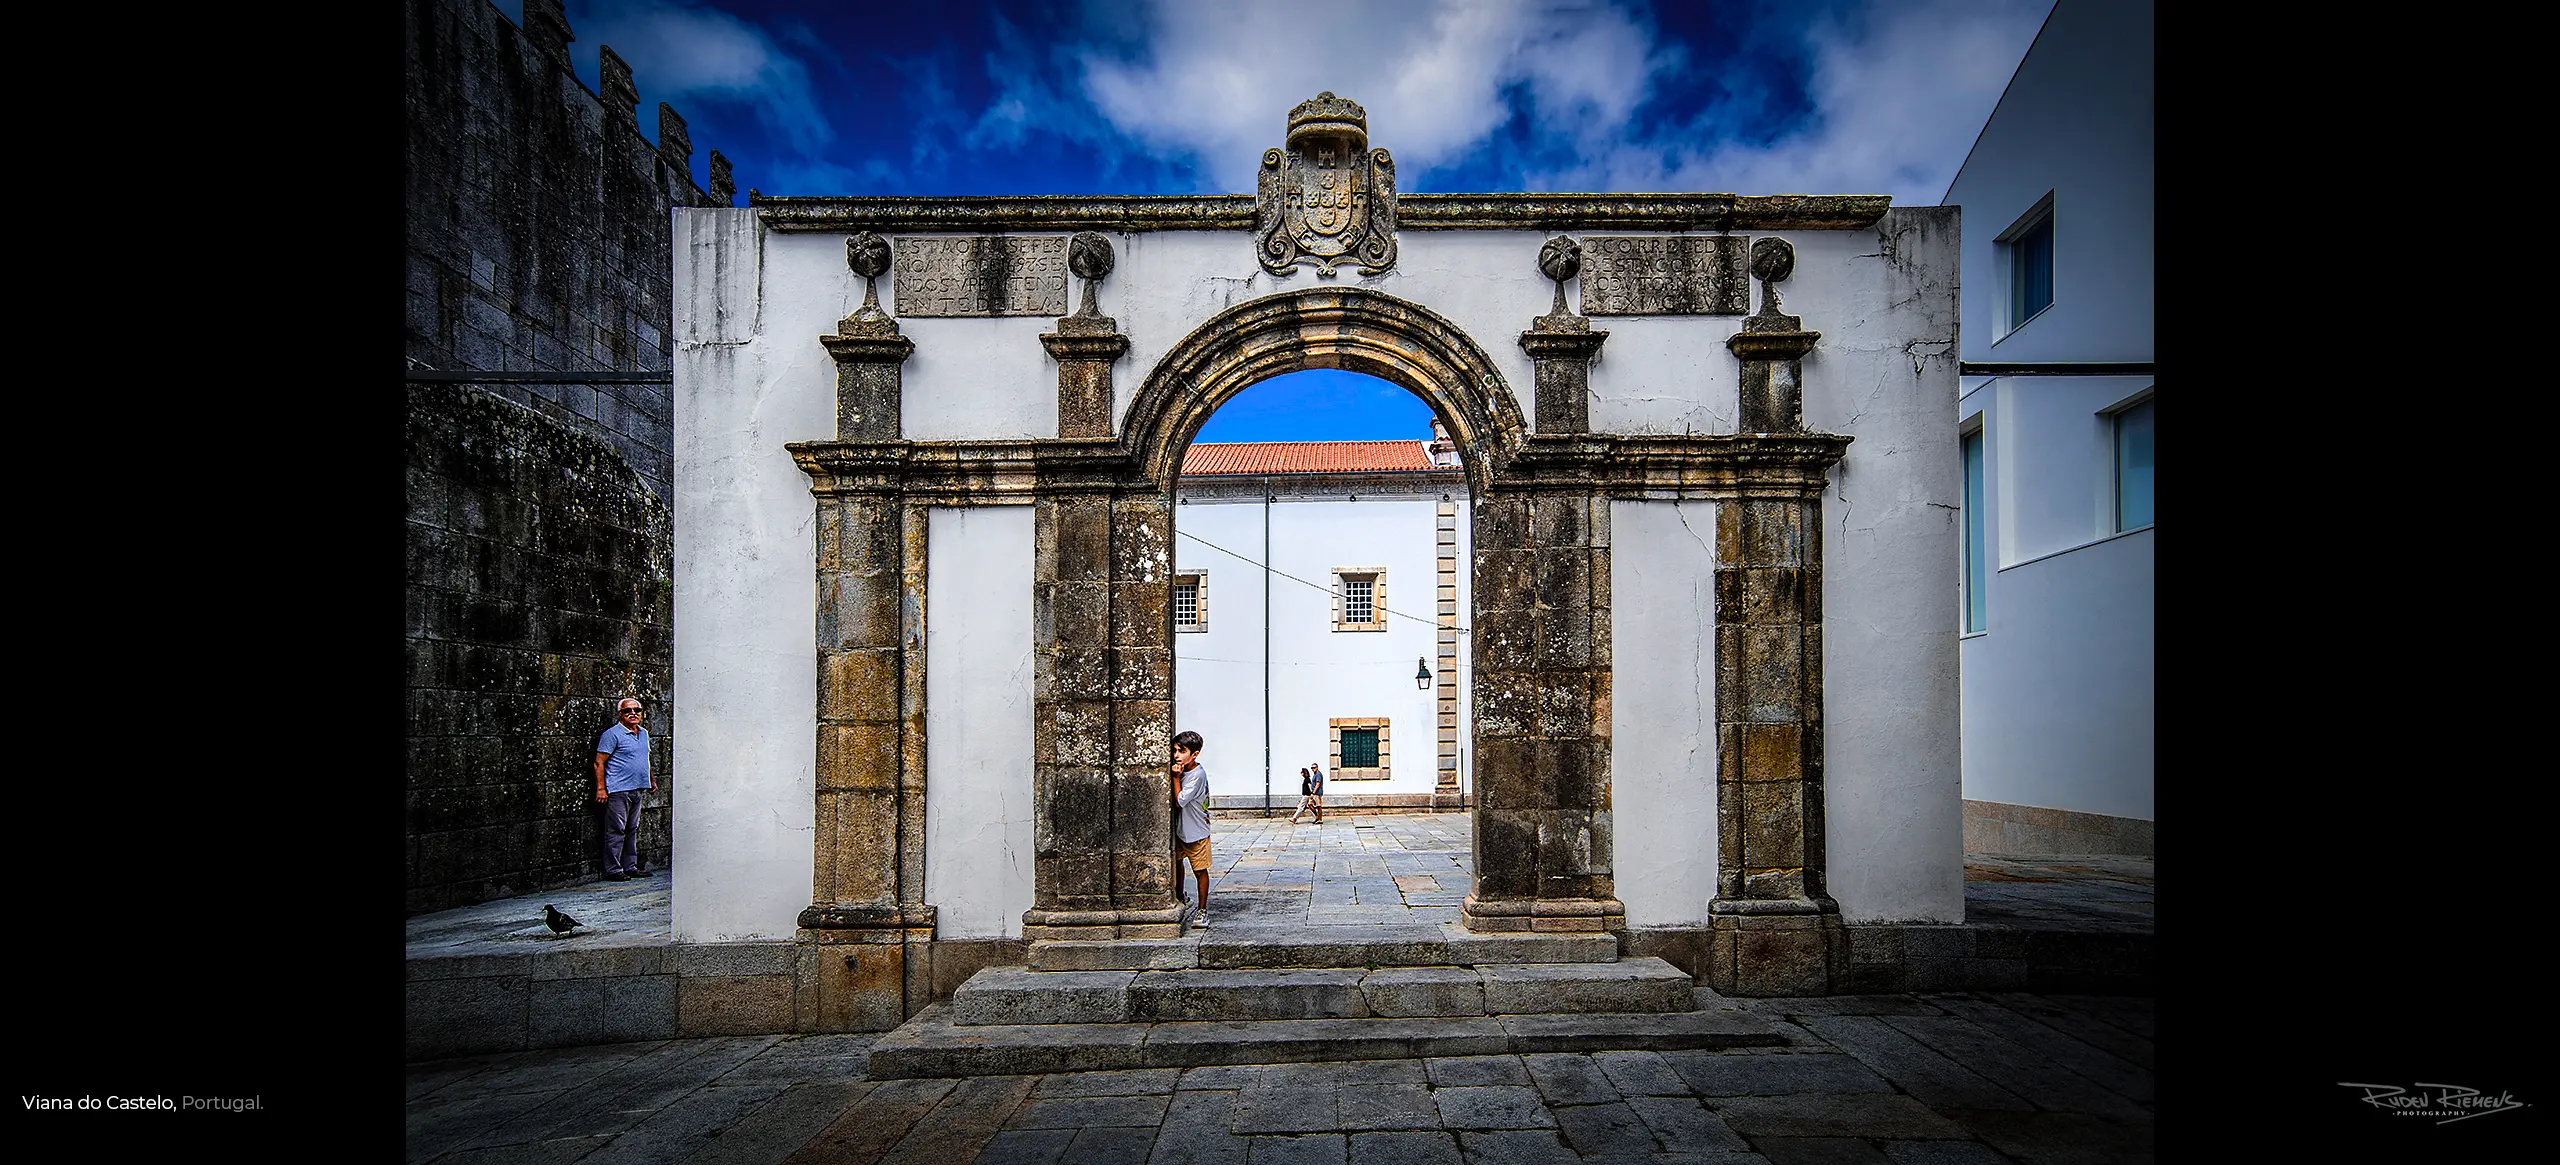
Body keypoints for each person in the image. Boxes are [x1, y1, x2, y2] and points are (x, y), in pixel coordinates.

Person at [593, 697, 655, 881]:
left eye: (637, 710)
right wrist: (601, 788)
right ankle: (613, 869)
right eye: (628, 710)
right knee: (616, 829)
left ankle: (630, 866)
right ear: (620, 714)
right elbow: (599, 762)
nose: (633, 713)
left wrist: (651, 780)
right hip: (618, 789)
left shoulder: (643, 733)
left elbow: (645, 759)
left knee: (632, 828)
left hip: (638, 788)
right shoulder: (612, 734)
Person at [1169, 730, 1212, 926]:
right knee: (1177, 864)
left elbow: (1180, 801)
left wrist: (1176, 778)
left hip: (1197, 832)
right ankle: (1180, 897)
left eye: (1182, 751)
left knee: (1200, 871)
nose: (1177, 755)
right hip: (1181, 830)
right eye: (1175, 750)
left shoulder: (1197, 775)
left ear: (1194, 755)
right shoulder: (1185, 769)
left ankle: (1202, 911)